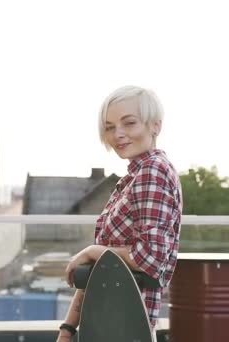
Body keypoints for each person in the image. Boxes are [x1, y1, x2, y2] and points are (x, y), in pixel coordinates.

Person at [56, 85, 183, 342]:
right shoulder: (132, 178)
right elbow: (101, 266)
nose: (118, 134)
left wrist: (92, 251)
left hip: (124, 324)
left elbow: (151, 258)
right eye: (110, 126)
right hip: (106, 322)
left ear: (155, 126)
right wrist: (67, 329)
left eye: (129, 123)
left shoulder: (153, 172)